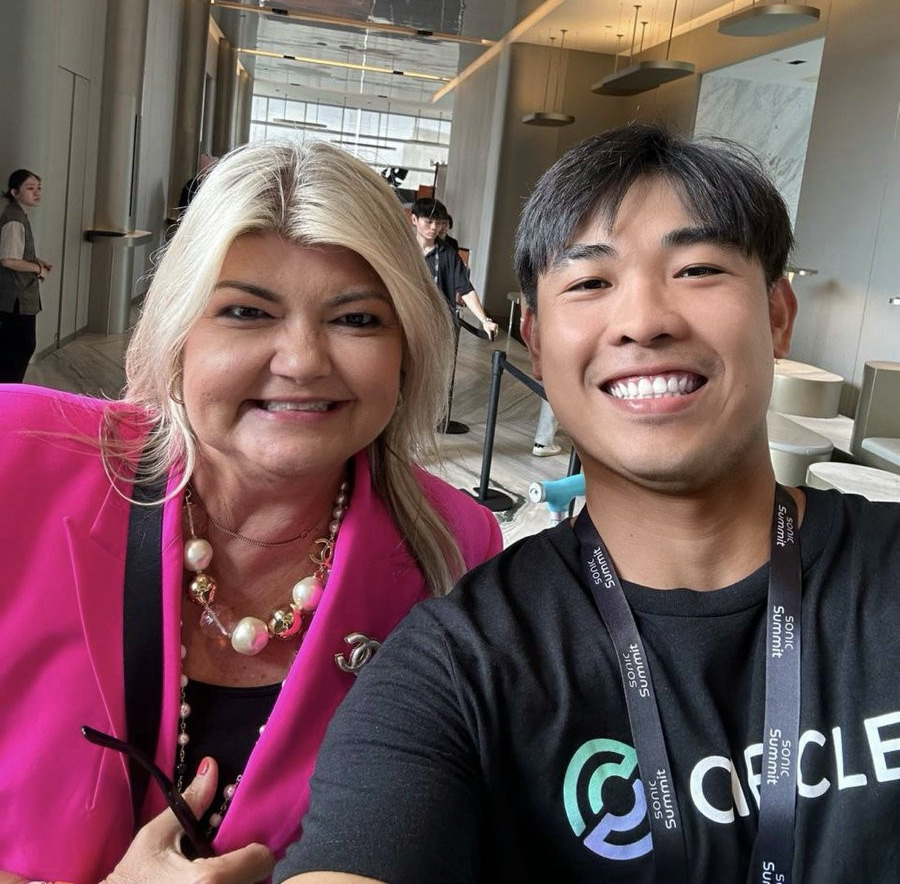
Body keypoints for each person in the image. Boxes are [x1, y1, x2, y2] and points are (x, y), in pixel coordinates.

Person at [276, 124, 900, 883]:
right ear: (534, 341)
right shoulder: (462, 667)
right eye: (590, 282)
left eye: (698, 269)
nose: (643, 320)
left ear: (777, 315)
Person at [0, 141, 501, 883]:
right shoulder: (18, 461)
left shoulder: (455, 551)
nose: (302, 360)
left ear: (408, 348)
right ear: (177, 332)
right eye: (245, 311)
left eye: (357, 319)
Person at [410, 198, 497, 339]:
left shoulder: (448, 254)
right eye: (429, 221)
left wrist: (485, 320)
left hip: (438, 324)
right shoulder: (404, 249)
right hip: (407, 320)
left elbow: (465, 289)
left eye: (438, 222)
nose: (434, 227)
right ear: (414, 219)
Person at [0, 168, 50, 383]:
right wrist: (37, 269)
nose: (36, 192)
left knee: (17, 347)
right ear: (15, 192)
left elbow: (15, 251)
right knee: (20, 347)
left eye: (38, 187)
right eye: (30, 188)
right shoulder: (14, 220)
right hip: (15, 297)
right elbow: (8, 260)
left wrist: (35, 260)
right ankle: (10, 393)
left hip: (18, 296)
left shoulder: (18, 215)